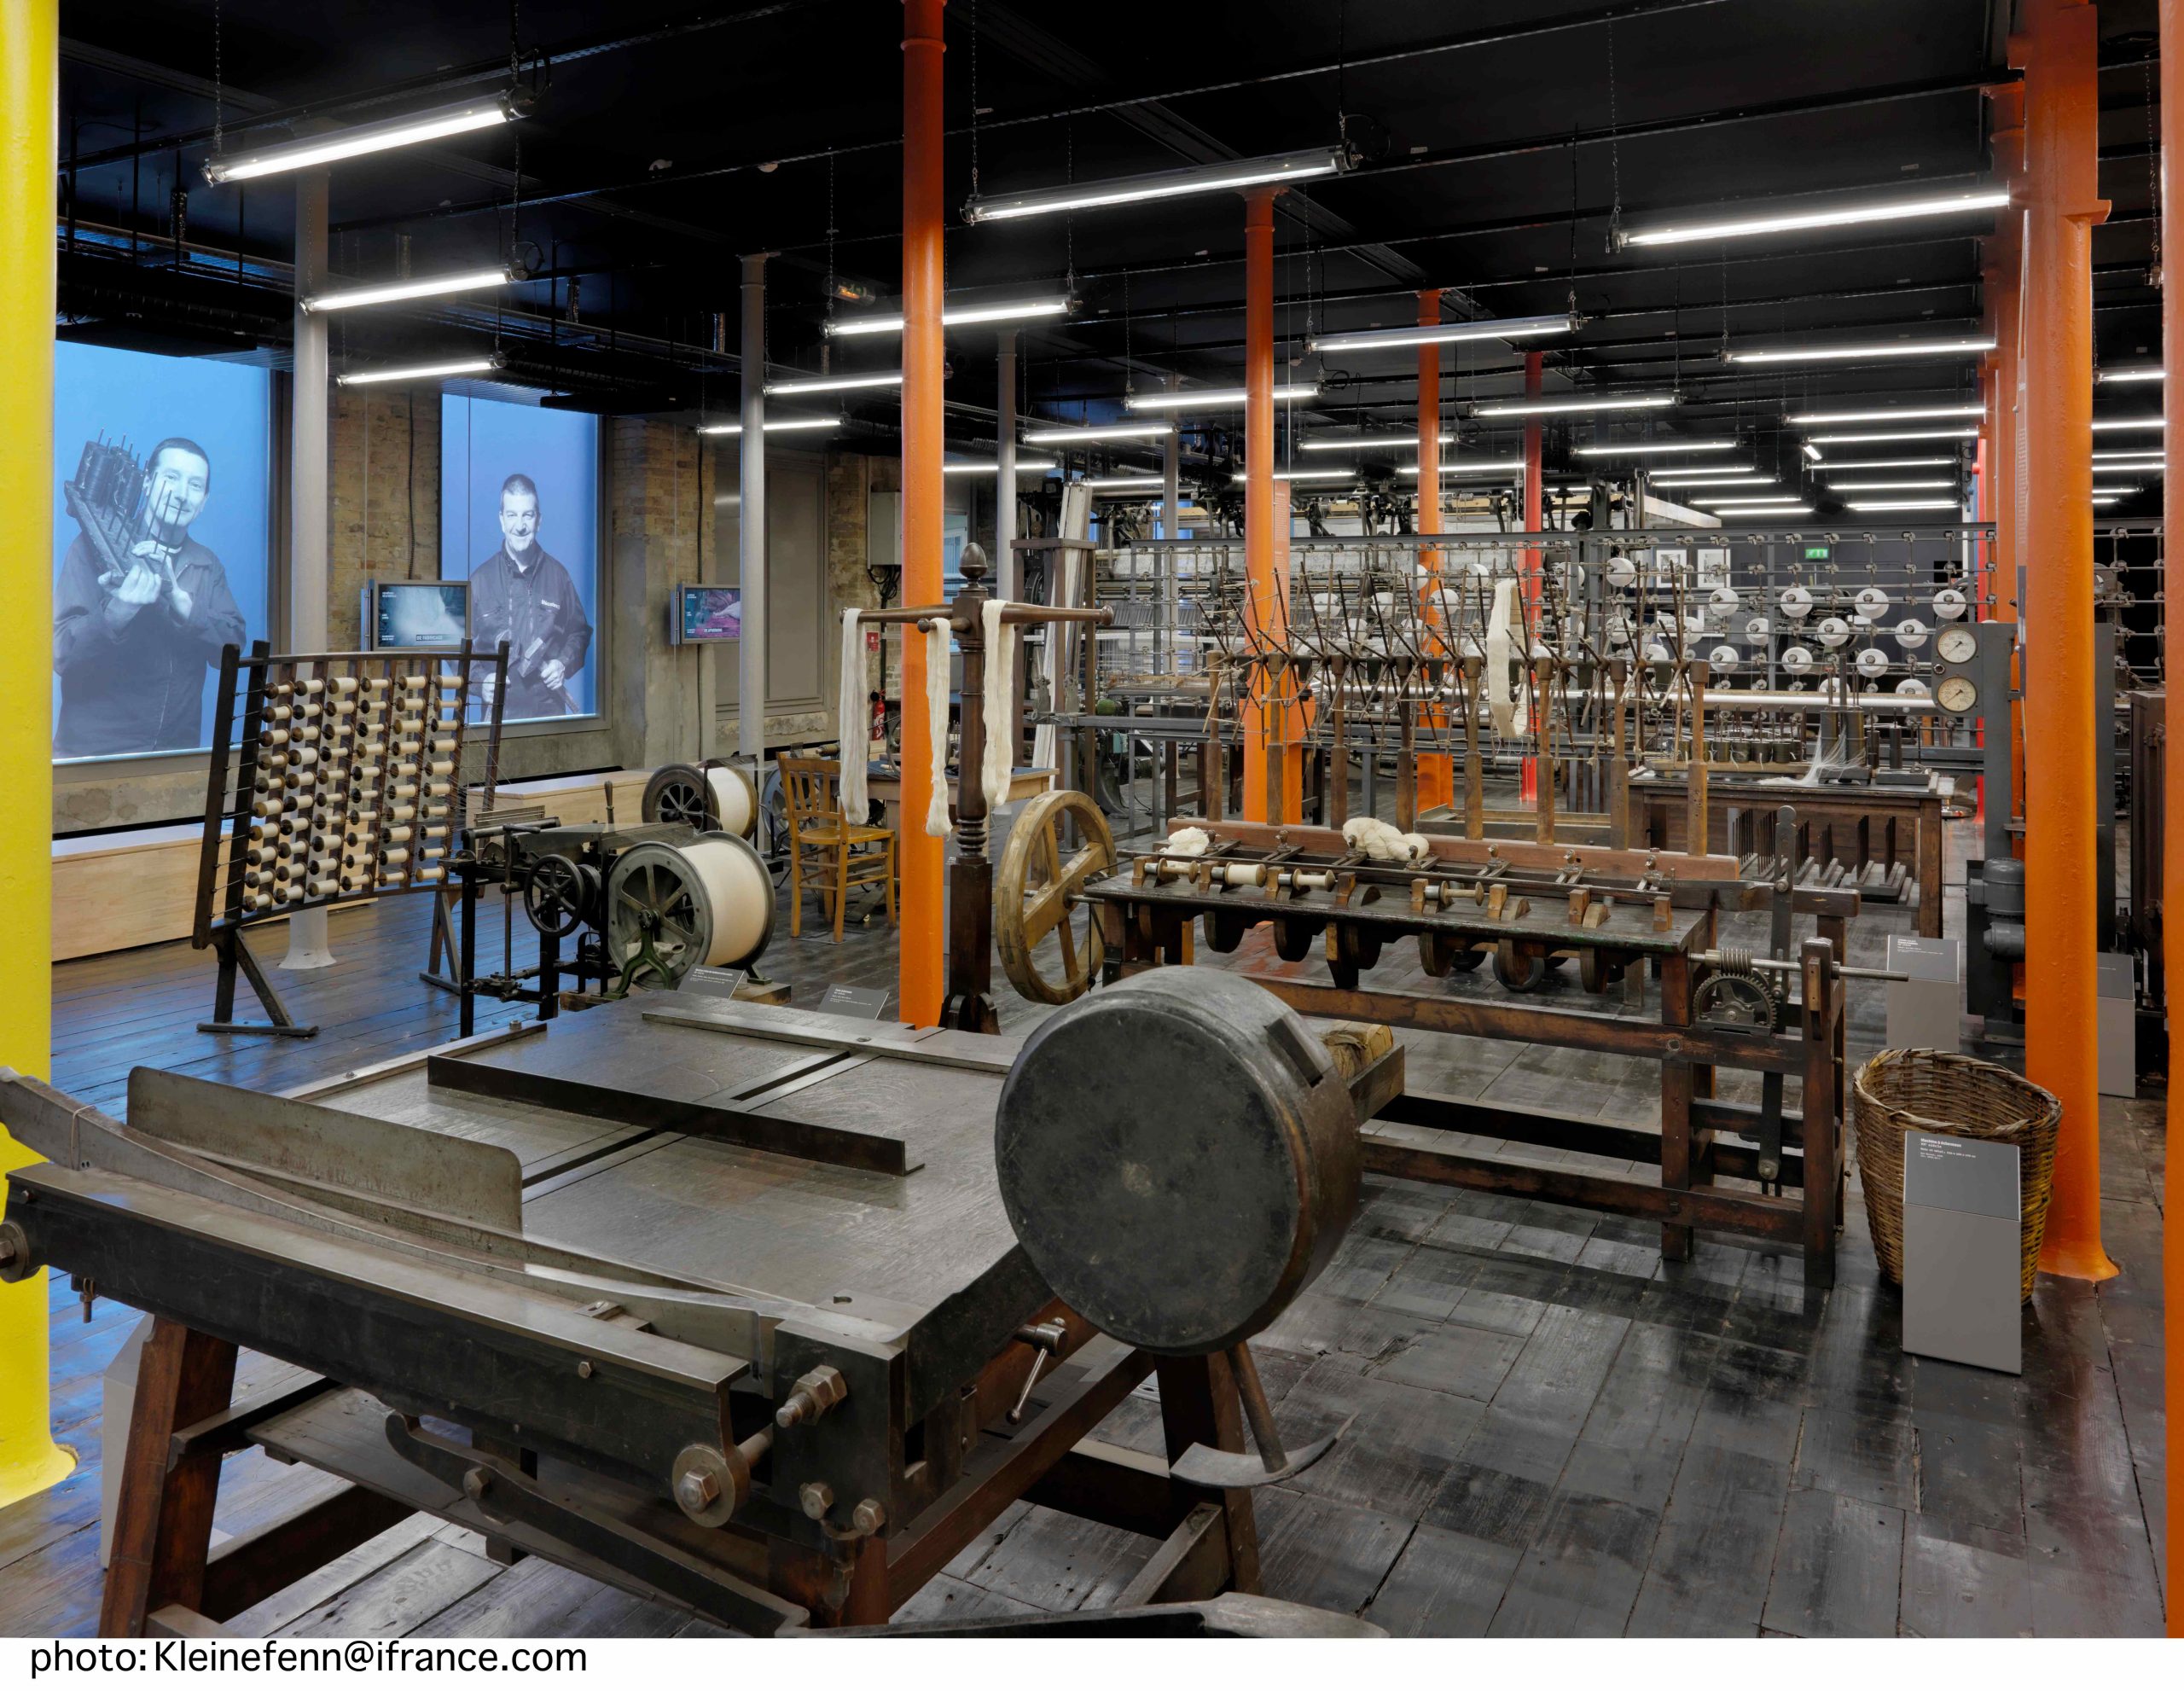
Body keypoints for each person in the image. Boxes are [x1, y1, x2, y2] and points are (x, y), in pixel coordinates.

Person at [53, 436, 248, 758]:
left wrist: (184, 604)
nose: (181, 494)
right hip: (95, 756)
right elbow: (62, 655)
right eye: (170, 478)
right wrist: (118, 611)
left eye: (195, 485)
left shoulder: (206, 565)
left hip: (173, 756)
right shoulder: (89, 547)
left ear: (204, 501)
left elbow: (231, 648)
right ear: (146, 482)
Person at [470, 472, 592, 718]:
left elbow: (579, 632)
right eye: (512, 515)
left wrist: (562, 664)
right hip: (498, 713)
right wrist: (481, 682)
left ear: (539, 520)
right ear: (502, 520)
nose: (520, 525)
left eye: (528, 514)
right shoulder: (480, 580)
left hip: (548, 711)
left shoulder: (559, 576)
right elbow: (461, 647)